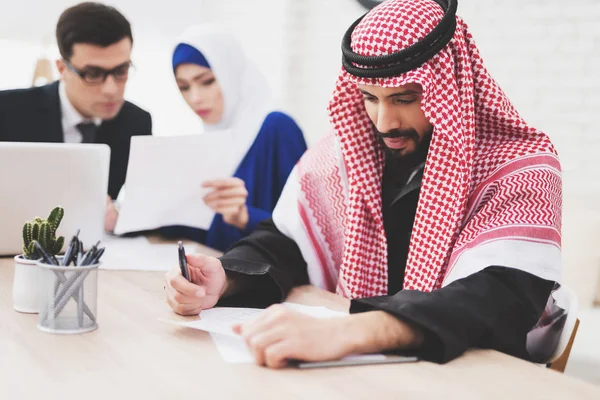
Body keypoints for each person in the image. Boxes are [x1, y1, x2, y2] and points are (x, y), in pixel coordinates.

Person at [165, 0, 562, 368]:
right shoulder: (349, 150)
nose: (384, 122)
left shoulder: (521, 167)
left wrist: (354, 332)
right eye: (370, 98)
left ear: (449, 84)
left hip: (470, 375)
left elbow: (498, 297)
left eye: (405, 98)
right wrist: (227, 276)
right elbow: (289, 239)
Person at [0, 2, 152, 232]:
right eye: (93, 74)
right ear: (62, 69)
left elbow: (143, 206)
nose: (111, 89)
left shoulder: (137, 122)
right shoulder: (8, 111)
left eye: (121, 71)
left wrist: (121, 213)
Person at [160, 26, 307, 251]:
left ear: (230, 73)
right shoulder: (211, 138)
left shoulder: (277, 128)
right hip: (217, 274)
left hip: (271, 279)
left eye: (207, 81)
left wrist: (245, 217)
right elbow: (200, 226)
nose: (195, 98)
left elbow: (306, 230)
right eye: (184, 87)